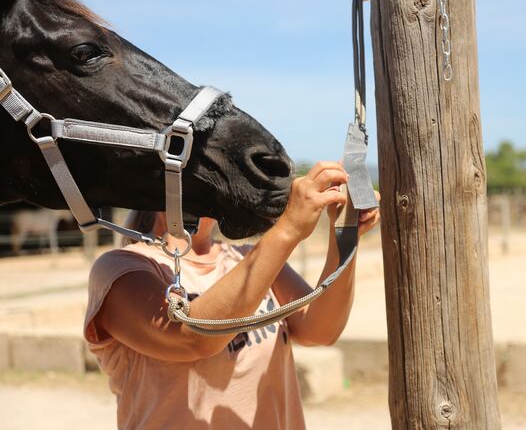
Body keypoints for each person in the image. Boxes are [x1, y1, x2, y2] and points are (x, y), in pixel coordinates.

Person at [83, 161, 381, 430]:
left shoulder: (249, 258)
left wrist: (345, 234)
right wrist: (288, 229)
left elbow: (319, 330)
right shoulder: (122, 268)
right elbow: (192, 337)